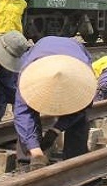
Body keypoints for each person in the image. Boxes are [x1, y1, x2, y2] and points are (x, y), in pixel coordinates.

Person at [13, 36, 97, 172]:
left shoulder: (85, 77)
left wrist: (56, 130)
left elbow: (82, 107)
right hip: (41, 53)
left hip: (75, 56)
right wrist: (34, 150)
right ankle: (27, 160)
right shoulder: (28, 75)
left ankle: (75, 163)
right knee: (27, 120)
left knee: (79, 120)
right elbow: (23, 113)